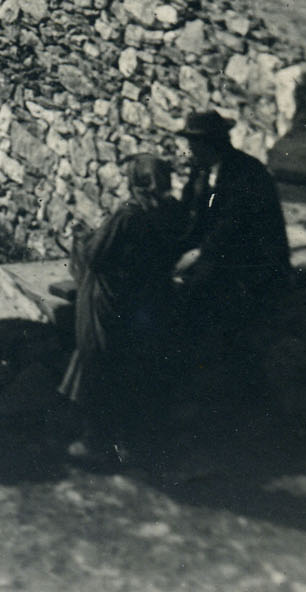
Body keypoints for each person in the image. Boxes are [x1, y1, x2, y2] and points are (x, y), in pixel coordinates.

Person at [61, 154, 186, 465]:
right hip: (149, 300)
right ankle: (131, 444)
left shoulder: (129, 215)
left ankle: (95, 443)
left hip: (111, 300)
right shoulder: (172, 212)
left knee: (98, 363)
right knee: (136, 370)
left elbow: (96, 256)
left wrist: (82, 235)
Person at [174, 108, 293, 428]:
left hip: (252, 267)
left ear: (210, 144)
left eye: (193, 144)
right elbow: (192, 218)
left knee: (199, 303)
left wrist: (195, 259)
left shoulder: (246, 175)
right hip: (222, 257)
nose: (189, 151)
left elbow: (230, 230)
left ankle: (219, 404)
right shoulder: (202, 172)